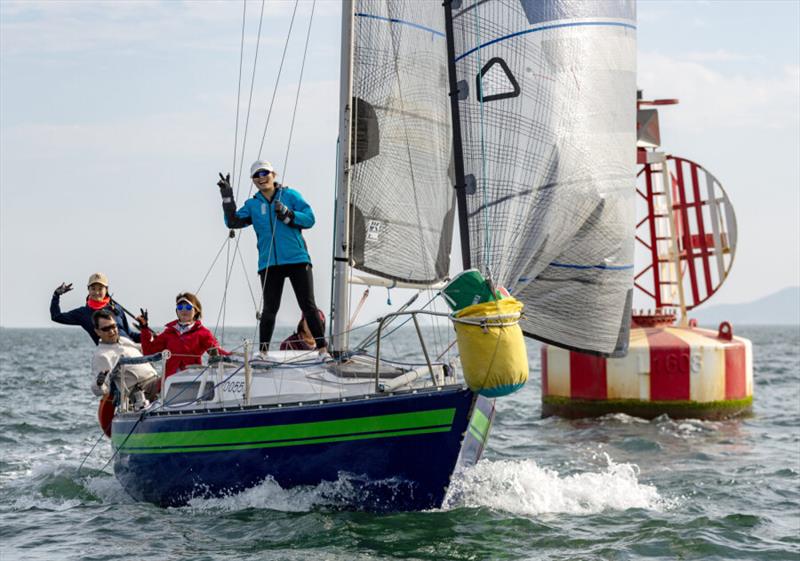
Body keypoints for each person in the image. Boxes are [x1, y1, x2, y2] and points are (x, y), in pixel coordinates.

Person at [217, 160, 327, 354]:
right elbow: (233, 222)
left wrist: (288, 214)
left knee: (308, 305)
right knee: (269, 310)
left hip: (297, 259)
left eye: (265, 173)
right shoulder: (252, 205)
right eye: (257, 175)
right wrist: (227, 197)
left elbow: (310, 218)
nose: (262, 178)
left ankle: (322, 350)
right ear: (253, 180)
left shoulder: (290, 195)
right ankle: (263, 353)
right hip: (269, 263)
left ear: (273, 174)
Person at [136, 292, 226, 377]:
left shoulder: (203, 333)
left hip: (193, 380)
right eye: (180, 307)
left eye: (188, 307)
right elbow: (148, 352)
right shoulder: (168, 332)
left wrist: (233, 357)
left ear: (196, 311)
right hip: (169, 382)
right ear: (176, 311)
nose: (183, 310)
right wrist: (144, 328)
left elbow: (217, 351)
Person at [91, 309, 158, 410]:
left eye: (113, 326)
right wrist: (99, 383)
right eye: (106, 329)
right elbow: (98, 391)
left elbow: (146, 349)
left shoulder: (123, 340)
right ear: (97, 332)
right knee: (169, 381)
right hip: (140, 392)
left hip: (154, 381)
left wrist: (155, 337)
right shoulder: (102, 355)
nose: (112, 331)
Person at [51, 272, 140, 345]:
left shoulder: (116, 308)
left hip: (131, 349)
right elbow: (56, 316)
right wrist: (56, 295)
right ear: (88, 289)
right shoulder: (83, 313)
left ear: (106, 289)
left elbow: (130, 334)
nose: (96, 292)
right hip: (111, 357)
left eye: (100, 288)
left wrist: (149, 335)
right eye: (93, 289)